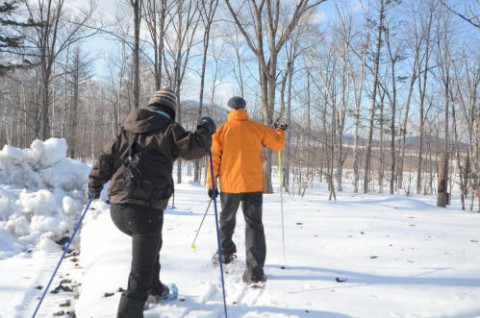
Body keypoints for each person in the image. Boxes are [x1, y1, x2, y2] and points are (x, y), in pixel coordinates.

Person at [88, 87, 216, 318]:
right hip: (145, 210)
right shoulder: (169, 129)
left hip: (118, 208)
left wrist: (95, 185)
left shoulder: (127, 130)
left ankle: (156, 289)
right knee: (142, 269)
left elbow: (105, 157)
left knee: (151, 247)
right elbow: (195, 148)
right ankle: (131, 310)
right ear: (170, 110)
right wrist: (205, 129)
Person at [207, 96, 287, 284]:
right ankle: (255, 271)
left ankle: (225, 253)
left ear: (229, 110)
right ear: (244, 110)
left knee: (226, 219)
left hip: (230, 184)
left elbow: (214, 159)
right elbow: (278, 144)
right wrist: (280, 130)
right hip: (252, 185)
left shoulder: (222, 131)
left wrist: (212, 184)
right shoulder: (256, 128)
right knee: (254, 225)